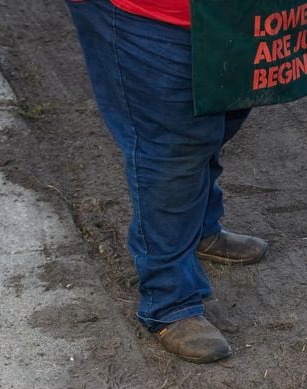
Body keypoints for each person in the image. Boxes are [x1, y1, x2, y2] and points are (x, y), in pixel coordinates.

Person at [64, 0, 268, 363]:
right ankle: (170, 300)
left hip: (237, 13)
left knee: (222, 116)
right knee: (171, 144)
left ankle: (200, 229)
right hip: (147, 11)